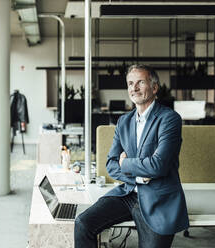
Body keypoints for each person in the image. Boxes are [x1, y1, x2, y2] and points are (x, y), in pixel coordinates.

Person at [74, 64, 189, 248]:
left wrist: (126, 163)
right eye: (130, 83)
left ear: (154, 87)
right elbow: (111, 164)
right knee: (83, 223)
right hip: (127, 194)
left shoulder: (169, 119)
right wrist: (138, 175)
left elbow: (158, 165)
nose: (133, 88)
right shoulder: (124, 121)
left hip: (157, 199)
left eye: (140, 82)